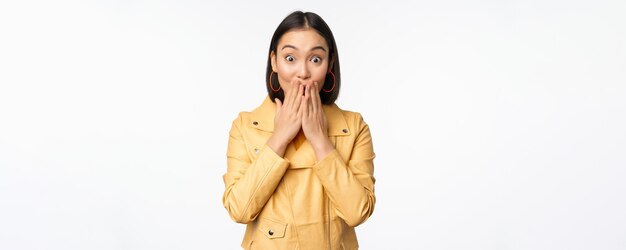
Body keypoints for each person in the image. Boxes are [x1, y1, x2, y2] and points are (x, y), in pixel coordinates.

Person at [222, 11, 376, 249]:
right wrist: (279, 138)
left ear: (330, 63)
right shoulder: (245, 126)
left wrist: (320, 140)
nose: (303, 72)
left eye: (315, 59)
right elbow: (239, 210)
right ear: (274, 61)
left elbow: (358, 212)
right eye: (290, 58)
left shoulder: (354, 127)